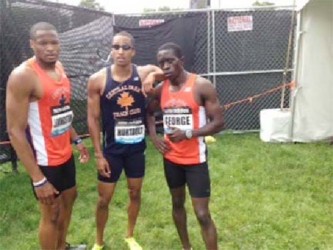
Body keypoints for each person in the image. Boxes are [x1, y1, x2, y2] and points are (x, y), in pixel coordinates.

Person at [6, 22, 90, 250]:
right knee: (51, 213)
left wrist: (77, 140)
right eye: (43, 43)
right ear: (32, 44)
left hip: (64, 154)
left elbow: (61, 112)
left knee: (69, 199)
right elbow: (14, 130)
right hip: (44, 161)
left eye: (54, 42)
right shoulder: (23, 76)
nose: (50, 48)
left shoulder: (60, 68)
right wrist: (38, 178)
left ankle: (62, 246)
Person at [87, 31, 164, 250]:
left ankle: (129, 236)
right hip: (111, 150)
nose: (120, 52)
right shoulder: (98, 79)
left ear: (133, 51)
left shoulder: (142, 72)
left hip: (136, 149)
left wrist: (152, 77)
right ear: (111, 50)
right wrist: (98, 154)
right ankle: (99, 241)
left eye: (126, 47)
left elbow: (163, 71)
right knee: (104, 199)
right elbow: (93, 119)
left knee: (135, 192)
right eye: (116, 47)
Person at [146, 42, 224, 250]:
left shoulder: (201, 85)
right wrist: (154, 137)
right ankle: (186, 247)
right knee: (177, 204)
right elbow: (149, 112)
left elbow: (218, 123)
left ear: (181, 61)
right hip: (171, 158)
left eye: (170, 61)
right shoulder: (161, 89)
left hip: (195, 160)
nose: (166, 66)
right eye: (161, 63)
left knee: (202, 214)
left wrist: (189, 133)